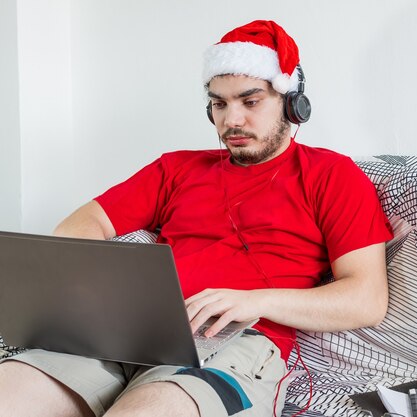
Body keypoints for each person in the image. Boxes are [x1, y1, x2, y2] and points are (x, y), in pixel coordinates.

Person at [0, 20, 392, 417]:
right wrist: (101, 292)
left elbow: (367, 299)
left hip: (235, 341)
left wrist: (251, 300)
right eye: (219, 103)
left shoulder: (332, 175)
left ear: (291, 103)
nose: (231, 121)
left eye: (250, 101)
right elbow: (80, 225)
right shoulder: (177, 168)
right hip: (127, 332)